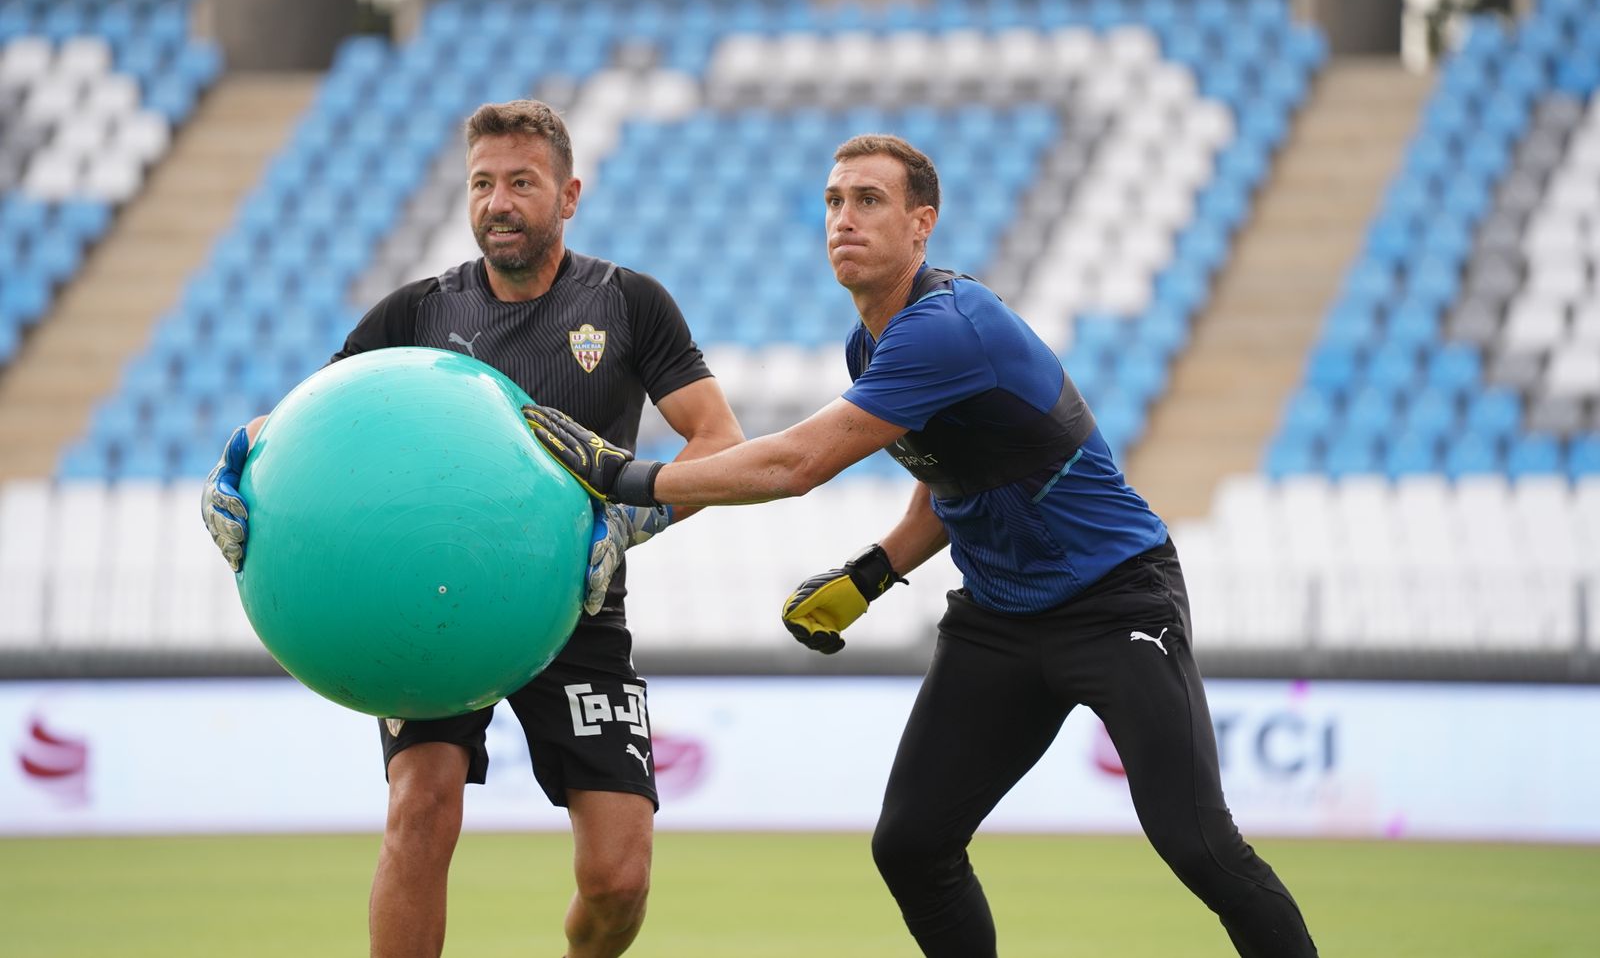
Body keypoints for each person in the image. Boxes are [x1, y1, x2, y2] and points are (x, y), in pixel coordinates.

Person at [523, 134, 1320, 957]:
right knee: (912, 846)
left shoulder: (949, 326)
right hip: (1001, 621)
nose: (844, 218)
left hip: (1116, 601)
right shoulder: (871, 342)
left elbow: (799, 464)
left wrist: (626, 478)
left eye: (869, 200)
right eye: (834, 201)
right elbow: (953, 479)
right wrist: (874, 572)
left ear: (921, 225)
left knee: (1199, 846)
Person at [201, 99, 744, 958]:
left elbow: (721, 443)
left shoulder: (632, 304)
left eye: (521, 183)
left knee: (619, 881)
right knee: (420, 806)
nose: (498, 202)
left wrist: (625, 525)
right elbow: (308, 425)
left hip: (576, 603)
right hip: (430, 613)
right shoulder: (415, 315)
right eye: (482, 183)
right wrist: (234, 467)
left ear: (569, 195)